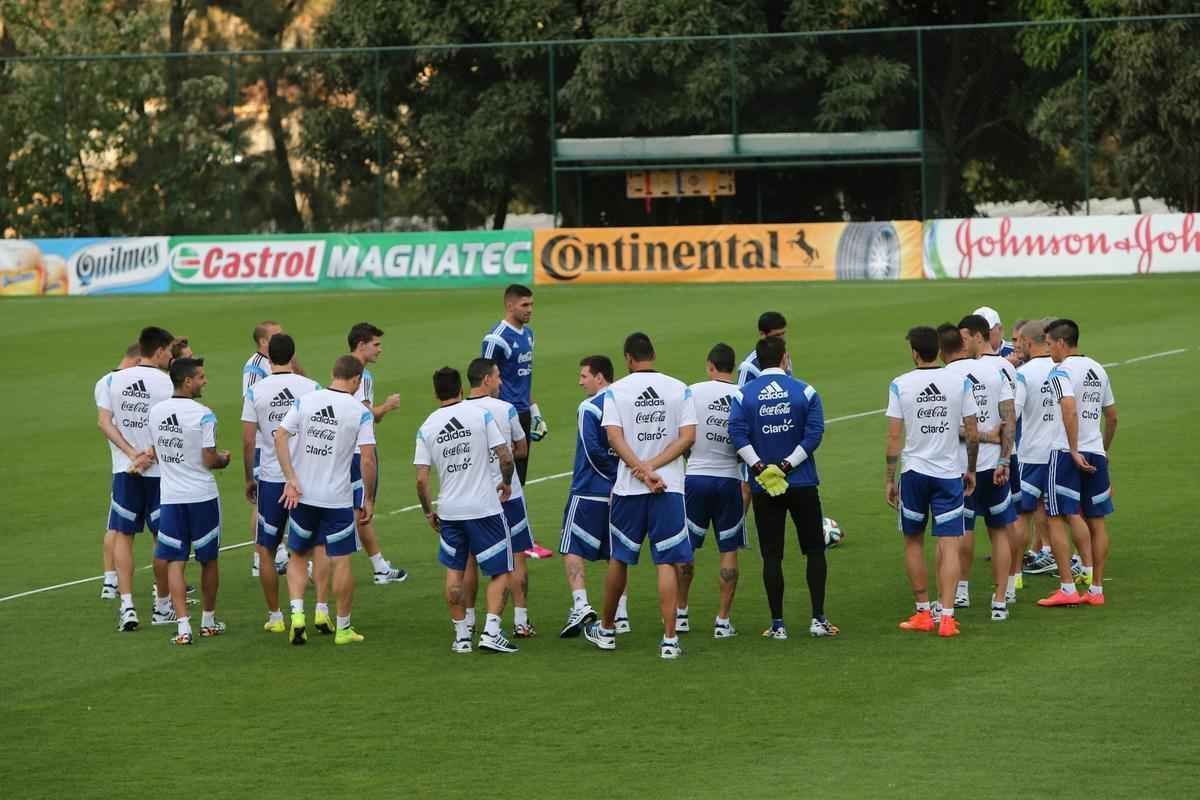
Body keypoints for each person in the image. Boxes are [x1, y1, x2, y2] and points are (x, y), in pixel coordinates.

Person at [584, 333, 696, 660]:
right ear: (653, 354)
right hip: (669, 485)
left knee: (620, 558)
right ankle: (670, 640)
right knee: (666, 561)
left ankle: (606, 630)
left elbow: (613, 437)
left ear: (628, 359)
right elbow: (688, 437)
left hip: (629, 488)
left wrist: (641, 469)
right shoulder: (679, 387)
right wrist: (654, 468)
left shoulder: (615, 392)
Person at [729, 336, 834, 640]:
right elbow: (814, 434)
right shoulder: (805, 391)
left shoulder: (744, 395)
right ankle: (818, 619)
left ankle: (777, 625)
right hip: (801, 482)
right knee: (814, 549)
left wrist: (761, 468)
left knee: (772, 555)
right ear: (785, 358)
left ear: (757, 362)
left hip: (764, 486)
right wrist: (787, 466)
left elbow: (737, 433)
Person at [414, 367, 518, 654]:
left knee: (454, 572)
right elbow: (506, 457)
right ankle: (491, 632)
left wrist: (427, 512)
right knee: (501, 572)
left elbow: (421, 479)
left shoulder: (427, 426)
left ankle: (461, 636)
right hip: (484, 507)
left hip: (449, 510)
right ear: (460, 389)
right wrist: (506, 483)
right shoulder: (480, 416)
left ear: (436, 393)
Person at [885, 326, 979, 638]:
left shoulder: (900, 384)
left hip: (914, 473)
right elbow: (972, 429)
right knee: (948, 542)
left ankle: (923, 612)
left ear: (914, 352)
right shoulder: (959, 381)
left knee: (913, 541)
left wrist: (889, 478)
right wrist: (972, 469)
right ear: (938, 350)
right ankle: (948, 617)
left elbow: (894, 437)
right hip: (949, 472)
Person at [275, 356, 374, 646]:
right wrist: (367, 496)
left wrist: (291, 478)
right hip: (337, 497)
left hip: (303, 494)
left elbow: (280, 436)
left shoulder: (306, 401)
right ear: (356, 380)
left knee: (297, 554)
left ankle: (296, 616)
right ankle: (342, 628)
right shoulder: (360, 412)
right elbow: (367, 459)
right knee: (340, 560)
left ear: (333, 373)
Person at [240, 333, 324, 633]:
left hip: (273, 478)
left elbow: (249, 440)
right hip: (305, 479)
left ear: (268, 357)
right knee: (313, 546)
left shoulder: (256, 391)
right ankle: (320, 610)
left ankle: (275, 616)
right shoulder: (311, 387)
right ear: (293, 354)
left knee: (266, 547)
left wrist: (250, 477)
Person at [97, 326, 177, 632]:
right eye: (168, 351)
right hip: (158, 472)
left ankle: (127, 606)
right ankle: (162, 606)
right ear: (158, 351)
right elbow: (171, 426)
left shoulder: (111, 380)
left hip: (125, 470)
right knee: (163, 538)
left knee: (124, 536)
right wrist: (149, 453)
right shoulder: (166, 383)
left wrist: (132, 454)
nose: (170, 356)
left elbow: (104, 423)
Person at [148, 357, 231, 645]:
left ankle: (183, 627)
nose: (204, 381)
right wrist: (223, 460)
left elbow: (158, 454)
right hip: (202, 497)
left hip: (170, 497)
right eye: (201, 377)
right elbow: (209, 458)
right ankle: (208, 621)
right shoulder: (204, 415)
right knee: (208, 560)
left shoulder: (156, 413)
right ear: (187, 381)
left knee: (174, 560)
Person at [1040, 318, 1117, 606]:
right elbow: (1112, 417)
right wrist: (1103, 449)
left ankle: (1068, 588)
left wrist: (1073, 449)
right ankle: (1096, 590)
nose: (1049, 351)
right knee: (1097, 521)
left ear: (1061, 343)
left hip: (1065, 453)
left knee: (1055, 517)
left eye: (1049, 345)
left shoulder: (1060, 371)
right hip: (1096, 451)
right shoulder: (1098, 368)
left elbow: (1068, 409)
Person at [1014, 320, 1090, 607]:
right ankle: (1087, 569)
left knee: (1022, 514)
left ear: (1031, 343)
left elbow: (1015, 414)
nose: (1018, 345)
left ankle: (1015, 576)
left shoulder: (1024, 374)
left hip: (1032, 454)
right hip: (1059, 452)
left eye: (1020, 340)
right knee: (1070, 514)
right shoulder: (1065, 369)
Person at [944, 321, 1016, 620]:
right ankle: (1000, 601)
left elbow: (947, 427)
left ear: (974, 338)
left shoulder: (949, 375)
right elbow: (1009, 419)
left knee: (964, 529)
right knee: (999, 531)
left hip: (962, 467)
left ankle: (961, 591)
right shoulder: (999, 370)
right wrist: (1004, 459)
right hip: (994, 465)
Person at [462, 357, 536, 637]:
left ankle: (468, 621)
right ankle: (520, 620)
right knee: (517, 554)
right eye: (497, 376)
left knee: (469, 557)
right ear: (486, 380)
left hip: (473, 496)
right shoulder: (505, 409)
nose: (501, 381)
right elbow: (522, 450)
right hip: (509, 495)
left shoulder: (458, 412)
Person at [557, 356, 628, 638]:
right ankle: (621, 615)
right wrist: (622, 479)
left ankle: (581, 604)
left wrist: (611, 478)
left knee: (571, 546)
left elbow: (593, 450)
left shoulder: (590, 407)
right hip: (622, 492)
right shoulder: (625, 401)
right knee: (617, 554)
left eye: (584, 376)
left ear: (600, 377)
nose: (580, 381)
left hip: (588, 490)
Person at [481, 283, 552, 559]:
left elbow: (524, 377)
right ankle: (515, 540)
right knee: (505, 477)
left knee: (519, 477)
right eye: (524, 305)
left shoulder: (529, 335)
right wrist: (492, 414)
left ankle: (516, 539)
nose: (530, 310)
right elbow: (483, 378)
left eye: (532, 305)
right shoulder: (496, 339)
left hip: (521, 414)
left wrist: (534, 411)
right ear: (509, 306)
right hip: (502, 416)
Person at [684, 343, 748, 638]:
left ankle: (681, 614)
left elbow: (682, 433)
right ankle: (723, 621)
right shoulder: (741, 395)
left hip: (695, 476)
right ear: (732, 367)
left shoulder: (692, 391)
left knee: (686, 548)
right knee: (728, 548)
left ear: (710, 365)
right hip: (729, 479)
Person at [346, 322, 407, 584]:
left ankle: (379, 565)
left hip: (343, 447)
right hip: (359, 450)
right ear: (361, 345)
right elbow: (367, 415)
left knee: (355, 510)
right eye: (376, 344)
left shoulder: (343, 366)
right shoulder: (360, 375)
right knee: (361, 508)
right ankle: (320, 561)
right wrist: (388, 406)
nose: (380, 350)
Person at [97, 342, 141, 600]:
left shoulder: (107, 382)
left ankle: (110, 581)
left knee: (118, 523)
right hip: (130, 462)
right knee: (120, 526)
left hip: (129, 460)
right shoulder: (111, 382)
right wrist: (134, 453)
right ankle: (111, 580)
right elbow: (107, 423)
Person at [245, 321, 283, 578]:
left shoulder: (279, 362)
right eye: (277, 336)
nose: (283, 338)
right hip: (264, 444)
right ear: (262, 342)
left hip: (280, 441)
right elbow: (249, 405)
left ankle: (273, 552)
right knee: (261, 500)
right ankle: (263, 556)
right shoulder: (254, 367)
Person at [735, 311, 789, 387]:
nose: (782, 339)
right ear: (762, 334)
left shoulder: (784, 356)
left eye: (783, 333)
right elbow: (741, 396)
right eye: (777, 335)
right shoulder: (748, 367)